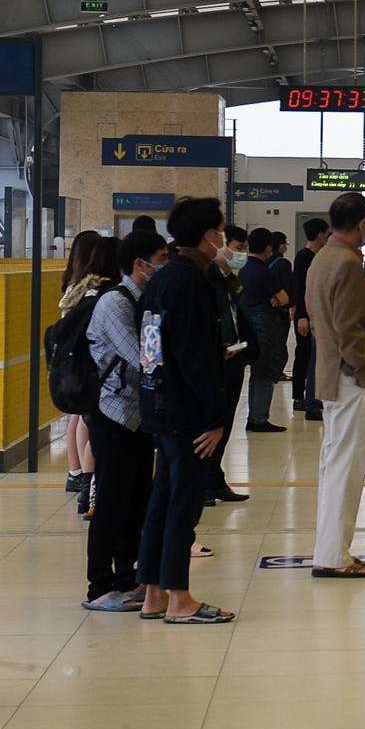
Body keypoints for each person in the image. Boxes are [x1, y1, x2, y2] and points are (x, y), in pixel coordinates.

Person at [134, 198, 237, 625]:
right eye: (220, 231)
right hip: (186, 414)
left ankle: (153, 593)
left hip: (159, 404)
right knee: (184, 505)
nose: (223, 239)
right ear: (207, 235)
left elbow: (156, 349)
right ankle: (180, 600)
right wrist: (215, 419)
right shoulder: (190, 282)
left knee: (162, 500)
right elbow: (195, 357)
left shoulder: (161, 280)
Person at [306, 193, 365, 578]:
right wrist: (364, 374)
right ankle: (332, 556)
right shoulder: (345, 264)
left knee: (334, 466)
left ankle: (332, 550)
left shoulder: (322, 259)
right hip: (350, 381)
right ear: (362, 225)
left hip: (332, 378)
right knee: (346, 468)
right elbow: (349, 331)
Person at [82, 230, 168, 610]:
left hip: (138, 415)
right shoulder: (114, 304)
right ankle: (99, 587)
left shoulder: (143, 298)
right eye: (161, 259)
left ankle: (126, 576)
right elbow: (143, 358)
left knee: (136, 501)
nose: (163, 266)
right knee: (112, 503)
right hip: (113, 413)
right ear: (139, 264)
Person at [62, 234, 117, 504]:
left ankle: (78, 475)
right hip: (90, 366)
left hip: (75, 364)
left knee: (80, 418)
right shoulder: (97, 290)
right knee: (88, 422)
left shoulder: (75, 285)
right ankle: (86, 481)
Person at [204, 225, 257, 503]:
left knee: (224, 424)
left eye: (244, 248)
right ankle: (204, 482)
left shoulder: (230, 280)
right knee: (210, 425)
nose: (242, 254)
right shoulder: (205, 279)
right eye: (238, 248)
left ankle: (214, 479)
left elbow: (240, 315)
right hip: (217, 359)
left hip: (235, 358)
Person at [239, 227, 290, 433]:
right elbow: (285, 298)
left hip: (249, 326)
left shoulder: (243, 269)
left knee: (256, 372)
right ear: (268, 248)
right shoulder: (263, 270)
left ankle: (254, 416)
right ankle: (259, 418)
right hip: (265, 328)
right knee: (266, 373)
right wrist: (277, 299)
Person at [292, 218, 330, 421]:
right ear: (320, 235)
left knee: (314, 359)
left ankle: (312, 398)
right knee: (306, 357)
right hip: (306, 318)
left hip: (317, 317)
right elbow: (299, 288)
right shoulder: (303, 257)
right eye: (326, 232)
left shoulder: (319, 256)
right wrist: (302, 317)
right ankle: (302, 399)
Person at [268, 232, 292, 380]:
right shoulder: (283, 264)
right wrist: (291, 305)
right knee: (281, 341)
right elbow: (289, 286)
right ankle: (278, 370)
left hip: (267, 308)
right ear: (282, 246)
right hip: (281, 308)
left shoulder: (265, 262)